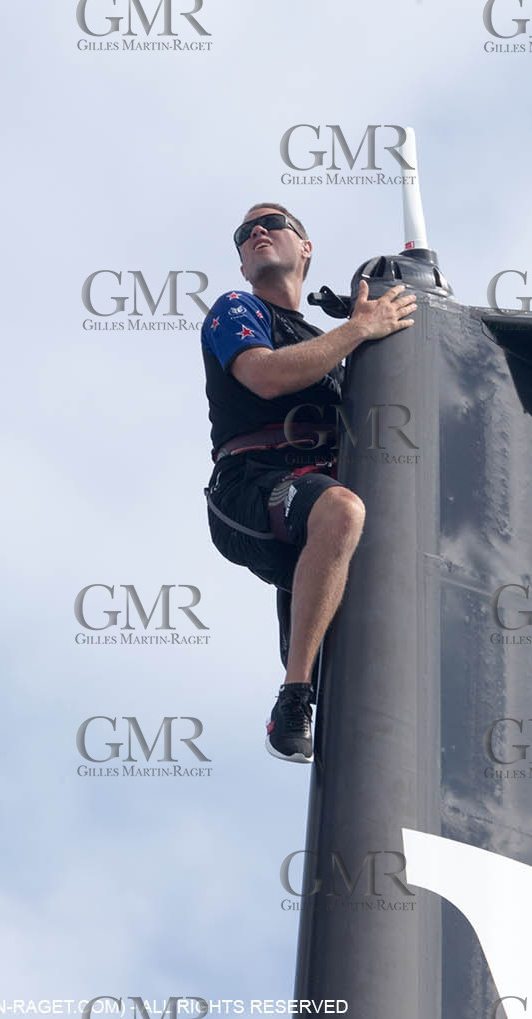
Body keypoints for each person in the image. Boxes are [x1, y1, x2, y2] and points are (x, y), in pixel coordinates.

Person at [200, 203, 416, 763]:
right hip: (249, 486)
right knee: (341, 509)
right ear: (243, 266)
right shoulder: (236, 309)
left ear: (306, 248)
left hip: (310, 494)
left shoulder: (333, 344)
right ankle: (294, 696)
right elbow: (265, 377)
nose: (258, 234)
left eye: (273, 224)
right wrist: (358, 329)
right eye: (245, 233)